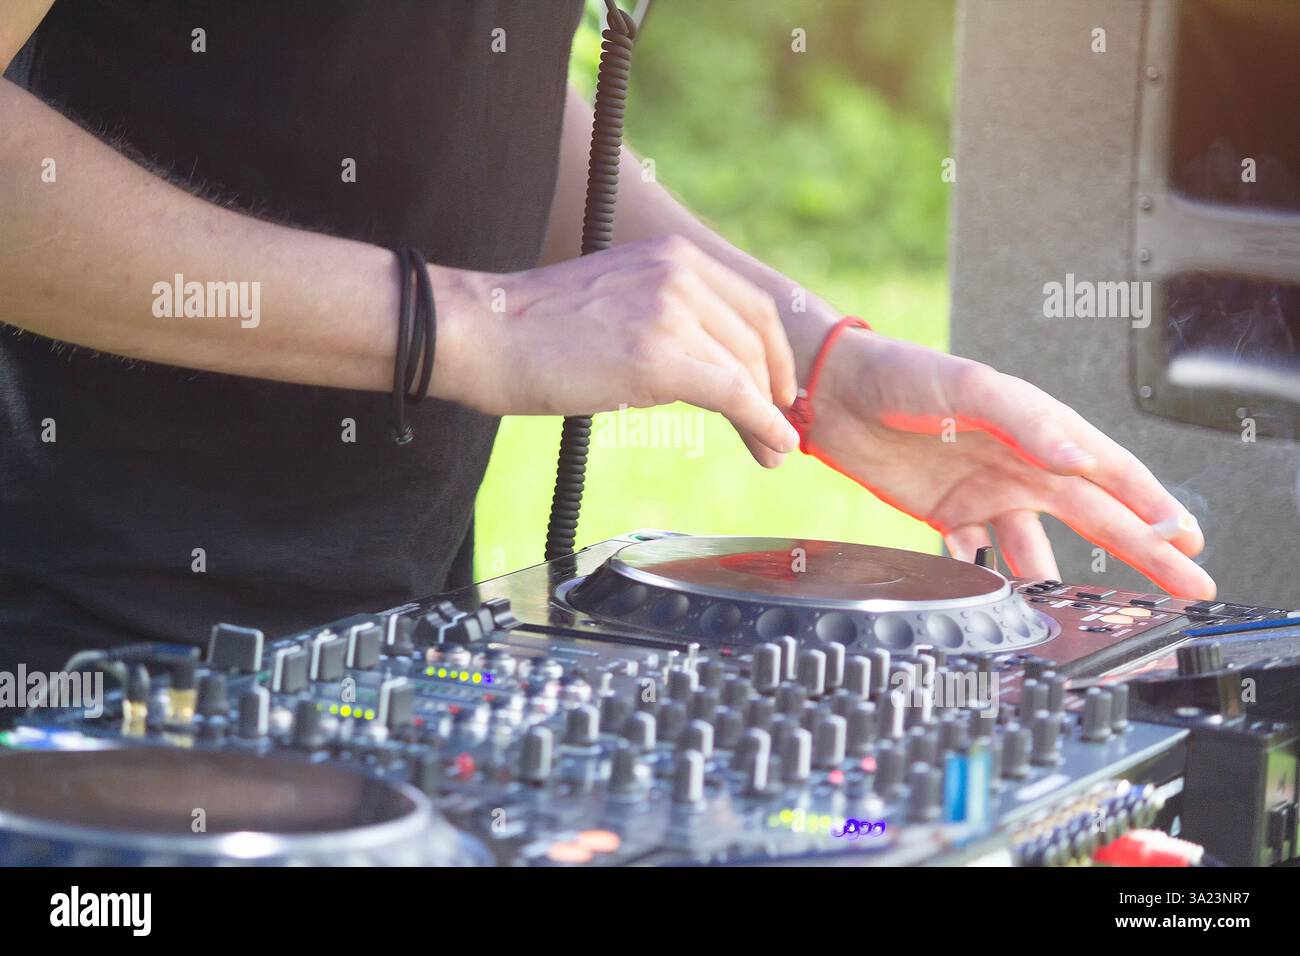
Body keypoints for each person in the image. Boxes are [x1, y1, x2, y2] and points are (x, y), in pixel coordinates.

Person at [0, 1, 1213, 673]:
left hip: (391, 649)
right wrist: (467, 323)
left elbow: (453, 89)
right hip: (69, 662)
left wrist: (817, 366)